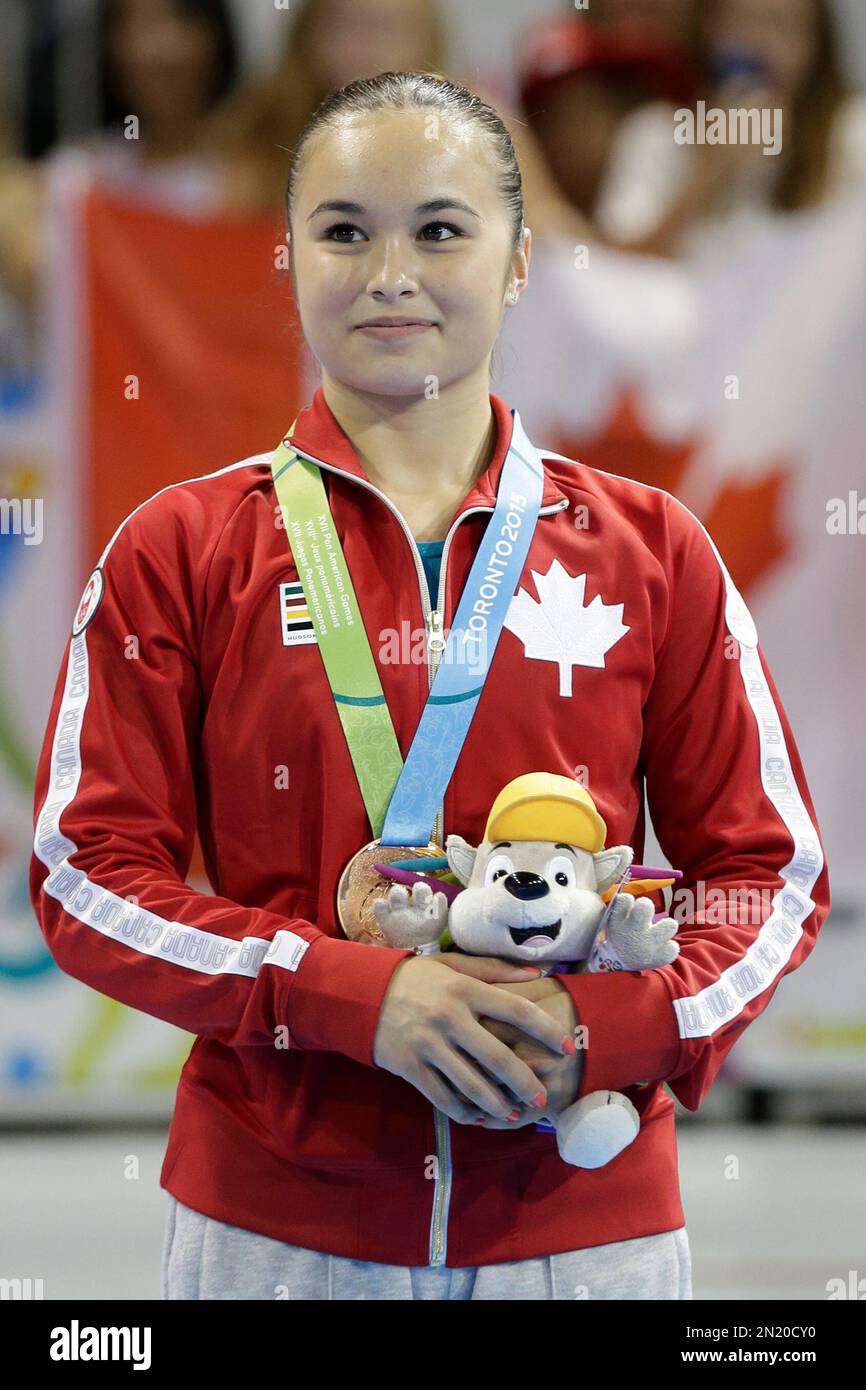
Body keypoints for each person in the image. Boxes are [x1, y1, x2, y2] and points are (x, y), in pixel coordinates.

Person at [30, 70, 830, 1301]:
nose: (388, 272)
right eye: (342, 229)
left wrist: (606, 1034)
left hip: (585, 1232)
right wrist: (353, 993)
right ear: (287, 257)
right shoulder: (180, 548)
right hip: (277, 1230)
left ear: (518, 264)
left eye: (440, 230)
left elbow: (768, 876)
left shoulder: (651, 549)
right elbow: (87, 876)